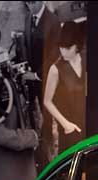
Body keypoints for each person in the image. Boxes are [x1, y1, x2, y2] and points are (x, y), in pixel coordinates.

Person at [24, 1, 61, 167]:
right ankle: (36, 145)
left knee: (47, 116)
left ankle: (50, 155)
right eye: (27, 2)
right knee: (32, 112)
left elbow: (54, 54)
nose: (30, 5)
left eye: (33, 2)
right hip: (30, 78)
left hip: (44, 79)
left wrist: (37, 75)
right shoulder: (28, 18)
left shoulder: (53, 21)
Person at [43, 21, 86, 154]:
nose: (63, 52)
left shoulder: (87, 59)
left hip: (87, 125)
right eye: (61, 47)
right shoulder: (55, 69)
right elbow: (47, 101)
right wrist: (65, 124)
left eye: (67, 48)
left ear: (77, 46)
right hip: (69, 129)